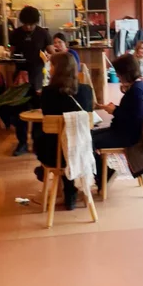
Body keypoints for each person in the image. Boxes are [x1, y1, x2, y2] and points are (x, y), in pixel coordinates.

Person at [35, 53, 93, 211]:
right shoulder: (86, 90)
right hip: (81, 151)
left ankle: (51, 177)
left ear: (57, 69)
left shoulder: (47, 92)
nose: (49, 69)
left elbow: (46, 115)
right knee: (69, 140)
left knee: (41, 136)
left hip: (53, 154)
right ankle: (70, 192)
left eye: (51, 66)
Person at [92, 53, 143, 190]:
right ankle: (104, 173)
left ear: (126, 72)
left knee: (87, 141)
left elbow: (135, 120)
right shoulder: (137, 87)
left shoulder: (137, 91)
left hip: (128, 136)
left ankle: (105, 174)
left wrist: (115, 111)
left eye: (118, 73)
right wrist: (115, 109)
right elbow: (131, 112)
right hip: (122, 131)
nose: (117, 76)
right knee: (87, 135)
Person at [9, 5, 55, 156]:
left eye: (31, 24)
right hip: (20, 76)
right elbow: (12, 51)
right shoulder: (16, 33)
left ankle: (37, 142)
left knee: (39, 110)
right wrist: (14, 58)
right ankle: (22, 142)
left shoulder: (43, 33)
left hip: (38, 76)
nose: (28, 27)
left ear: (36, 22)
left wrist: (51, 56)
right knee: (19, 110)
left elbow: (51, 52)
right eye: (26, 24)